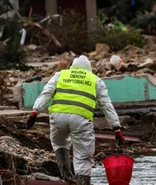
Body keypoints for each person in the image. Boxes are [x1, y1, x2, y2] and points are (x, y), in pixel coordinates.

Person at [25, 55, 125, 185]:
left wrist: (35, 111)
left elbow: (47, 92)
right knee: (83, 157)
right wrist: (116, 127)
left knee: (60, 144)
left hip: (58, 117)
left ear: (73, 67)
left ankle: (66, 177)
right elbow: (106, 105)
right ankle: (81, 182)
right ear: (88, 69)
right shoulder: (95, 80)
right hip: (81, 120)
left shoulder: (60, 75)